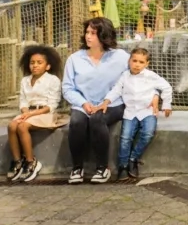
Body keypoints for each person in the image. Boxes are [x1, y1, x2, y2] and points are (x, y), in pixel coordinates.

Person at [61, 17, 130, 184]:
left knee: (97, 119)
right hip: (83, 104)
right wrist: (84, 103)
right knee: (77, 122)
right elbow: (68, 88)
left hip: (112, 104)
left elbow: (138, 76)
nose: (88, 36)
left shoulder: (121, 57)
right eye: (87, 32)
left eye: (93, 33)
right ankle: (77, 168)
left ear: (104, 34)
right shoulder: (74, 59)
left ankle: (102, 168)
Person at [97, 46, 173, 181]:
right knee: (125, 138)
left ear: (147, 64)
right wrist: (106, 101)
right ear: (129, 61)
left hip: (147, 111)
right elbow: (116, 90)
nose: (137, 65)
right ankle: (123, 166)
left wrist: (166, 104)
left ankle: (133, 158)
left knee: (148, 133)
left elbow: (166, 87)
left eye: (141, 62)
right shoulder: (124, 76)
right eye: (134, 61)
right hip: (130, 112)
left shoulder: (151, 76)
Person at [7, 45, 64, 182]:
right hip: (29, 113)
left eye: (39, 63)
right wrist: (25, 112)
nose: (35, 66)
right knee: (12, 126)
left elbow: (51, 105)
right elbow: (23, 101)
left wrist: (31, 115)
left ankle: (31, 161)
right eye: (32, 63)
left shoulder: (53, 80)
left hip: (45, 114)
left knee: (22, 126)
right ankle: (17, 161)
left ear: (48, 66)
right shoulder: (25, 81)